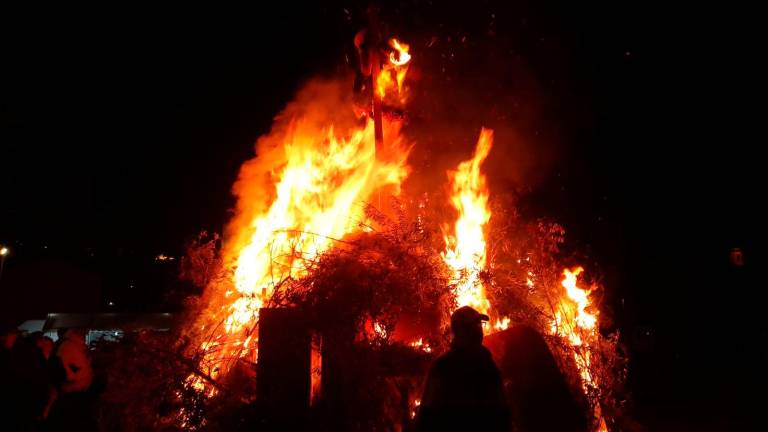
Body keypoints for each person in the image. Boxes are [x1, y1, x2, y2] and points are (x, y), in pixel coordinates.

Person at [418, 306, 511, 431]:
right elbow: (427, 414)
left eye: (479, 324)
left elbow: (502, 409)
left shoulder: (487, 363)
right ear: (459, 330)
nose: (478, 330)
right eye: (472, 325)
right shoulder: (443, 367)